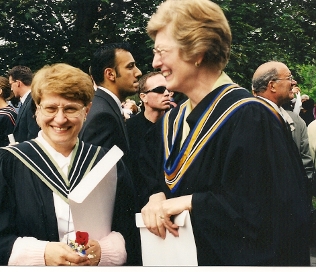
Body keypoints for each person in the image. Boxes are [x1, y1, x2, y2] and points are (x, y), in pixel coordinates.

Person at [139, 0, 310, 266]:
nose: (155, 62)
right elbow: (154, 178)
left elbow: (266, 213)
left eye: (162, 51)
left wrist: (190, 202)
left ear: (198, 51)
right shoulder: (171, 121)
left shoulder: (251, 117)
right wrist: (156, 197)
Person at [0, 63, 141, 266]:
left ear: (87, 111)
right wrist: (43, 254)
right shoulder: (8, 163)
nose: (60, 119)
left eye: (71, 108)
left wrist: (103, 252)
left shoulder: (106, 163)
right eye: (50, 108)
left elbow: (129, 231)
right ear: (37, 110)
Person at [253, 61, 314, 182]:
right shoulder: (247, 117)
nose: (294, 82)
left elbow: (306, 168)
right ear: (272, 86)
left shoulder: (296, 121)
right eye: (289, 78)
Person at [79, 43, 142, 156]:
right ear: (110, 74)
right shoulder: (102, 116)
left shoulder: (105, 106)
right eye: (130, 66)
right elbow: (100, 171)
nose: (138, 73)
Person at [126, 71, 170, 209]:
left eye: (168, 88)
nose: (167, 93)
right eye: (159, 90)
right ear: (143, 97)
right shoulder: (129, 129)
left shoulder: (176, 125)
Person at [8, 65, 40, 143]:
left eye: (11, 84)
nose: (11, 89)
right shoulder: (27, 101)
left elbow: (34, 135)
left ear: (18, 83)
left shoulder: (32, 103)